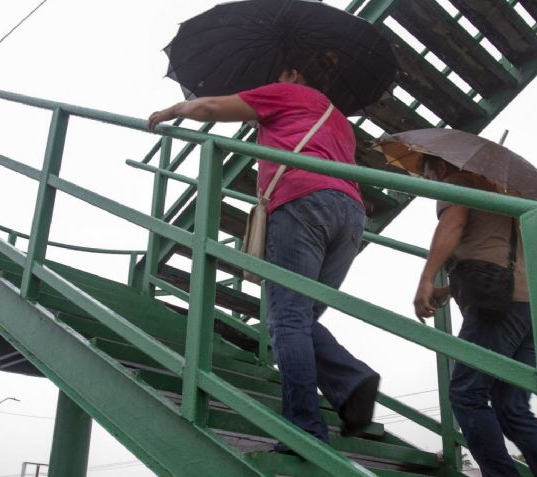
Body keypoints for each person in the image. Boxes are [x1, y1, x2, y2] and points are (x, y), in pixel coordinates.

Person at [148, 52, 380, 449]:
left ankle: (304, 427)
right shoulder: (339, 120)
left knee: (287, 320)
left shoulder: (287, 91)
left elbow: (209, 107)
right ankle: (349, 380)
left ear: (292, 72)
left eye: (277, 73)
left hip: (302, 201)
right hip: (351, 213)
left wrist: (172, 109)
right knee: (300, 317)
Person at [413, 155, 537, 477]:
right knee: (511, 407)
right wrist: (447, 290)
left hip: (496, 308)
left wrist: (427, 278)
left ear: (442, 167)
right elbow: (497, 254)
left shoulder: (458, 184)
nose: (426, 180)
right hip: (531, 307)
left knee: (466, 395)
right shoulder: (506, 197)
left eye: (426, 172)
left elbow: (454, 223)